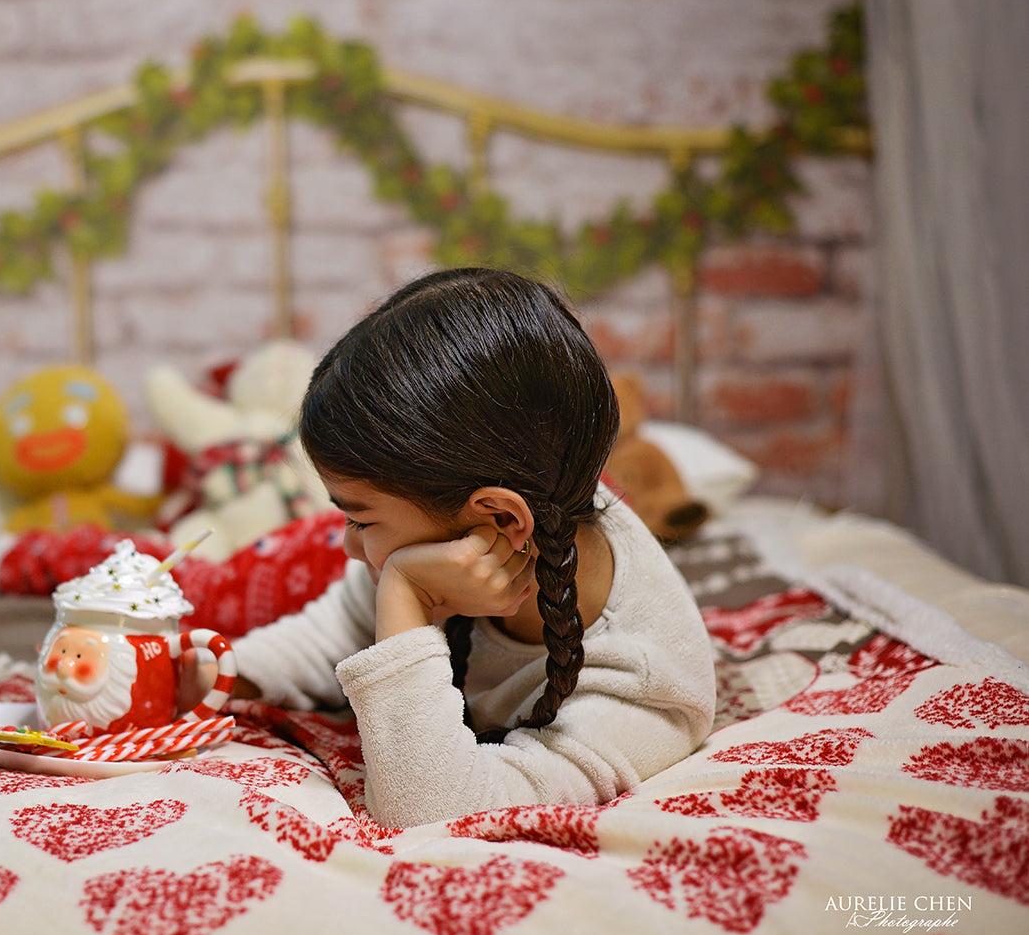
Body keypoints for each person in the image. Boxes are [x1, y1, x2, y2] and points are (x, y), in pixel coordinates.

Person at [230, 267, 716, 828]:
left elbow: (427, 810)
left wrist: (405, 593)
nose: (348, 546)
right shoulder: (509, 506)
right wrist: (220, 672)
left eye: (360, 519)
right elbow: (336, 629)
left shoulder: (644, 687)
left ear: (501, 519)